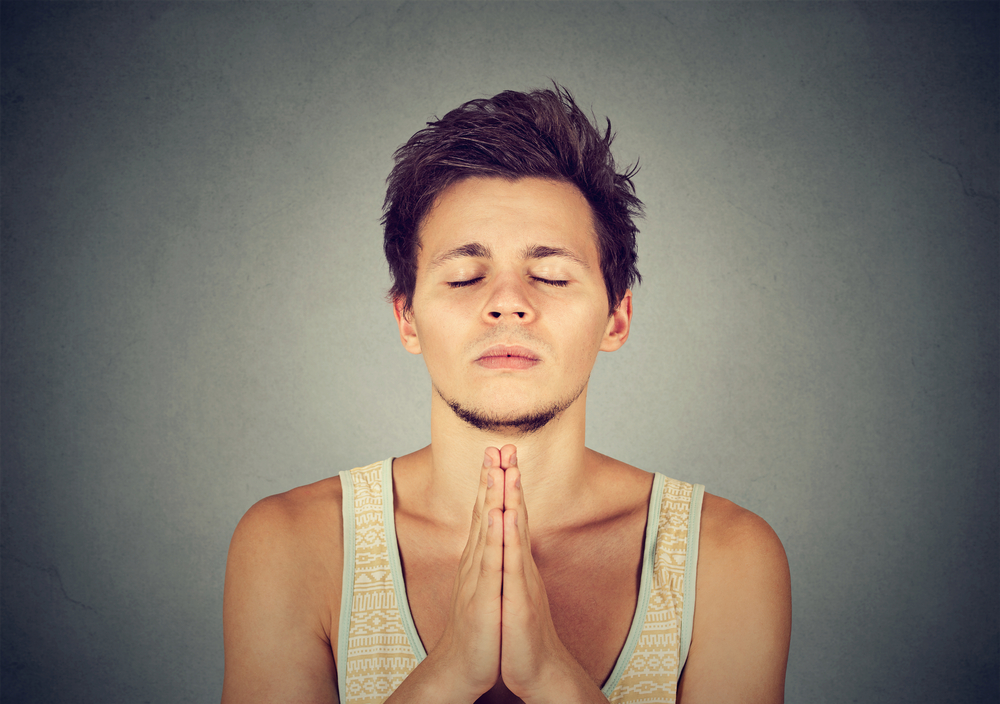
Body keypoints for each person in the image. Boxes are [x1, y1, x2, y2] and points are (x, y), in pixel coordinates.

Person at [221, 85, 791, 704]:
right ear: (407, 318)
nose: (508, 302)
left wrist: (549, 673)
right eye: (466, 275)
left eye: (550, 274)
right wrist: (448, 675)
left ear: (616, 319)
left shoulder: (726, 558)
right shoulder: (293, 544)